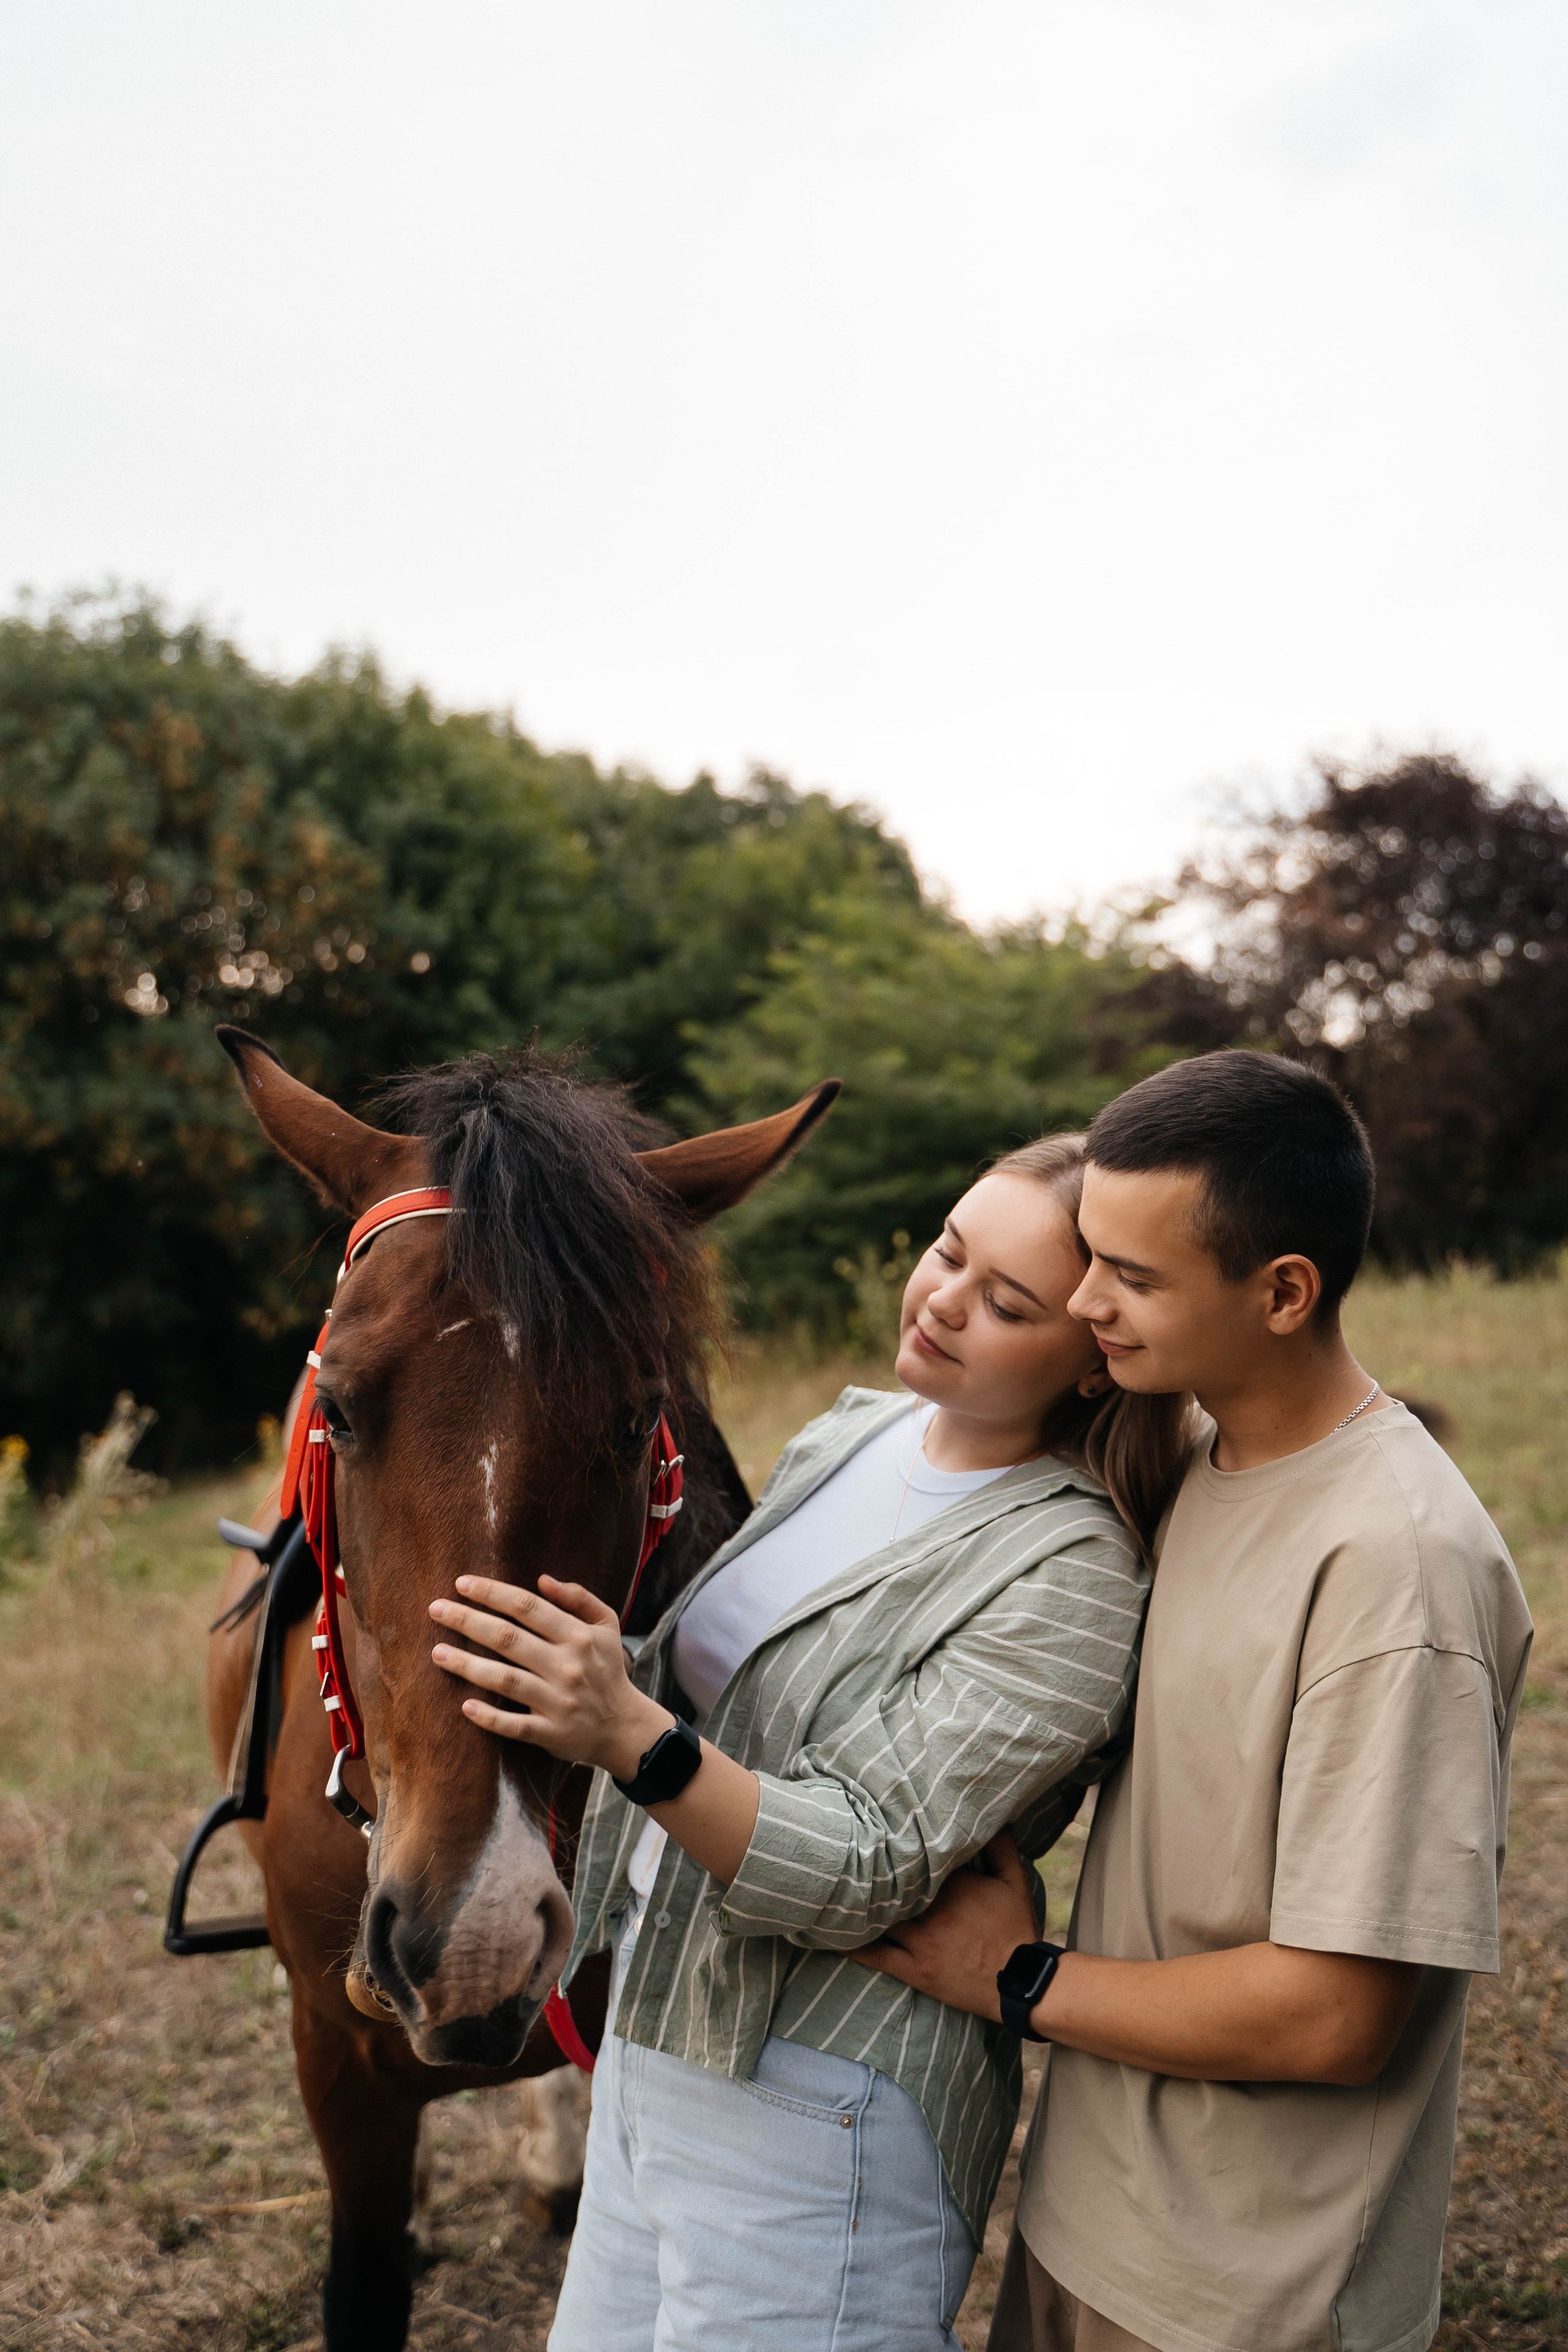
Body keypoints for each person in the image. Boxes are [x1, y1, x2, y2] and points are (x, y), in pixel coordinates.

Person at [426, 1136, 1193, 2351]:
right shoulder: (857, 1435)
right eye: (947, 1251)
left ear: (1094, 1361)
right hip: (652, 2041)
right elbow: (729, 1698)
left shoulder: (1073, 1573)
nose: (944, 1300)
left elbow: (866, 1864)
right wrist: (570, 1663)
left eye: (1006, 1303)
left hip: (815, 2107)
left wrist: (628, 1733)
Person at [852, 1051, 1534, 2352]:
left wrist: (1013, 1974)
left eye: (1134, 1278)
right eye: (1089, 1256)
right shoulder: (1195, 1456)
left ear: (1282, 1291)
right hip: (1089, 2212)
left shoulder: (1394, 1568)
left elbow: (1335, 2014)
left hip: (1240, 2289)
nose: (1084, 1299)